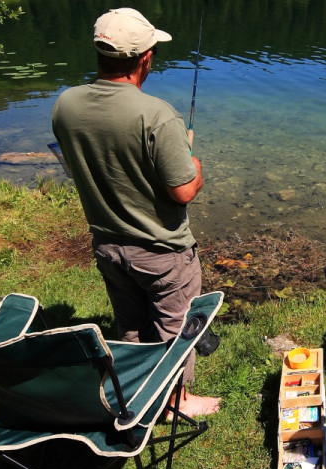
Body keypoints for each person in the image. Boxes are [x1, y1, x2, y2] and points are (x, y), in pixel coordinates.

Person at [51, 7, 219, 417]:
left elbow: (81, 164)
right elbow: (183, 192)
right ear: (144, 58)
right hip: (162, 251)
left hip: (107, 244)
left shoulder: (66, 105)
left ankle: (135, 386)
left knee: (130, 322)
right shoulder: (157, 115)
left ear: (100, 52)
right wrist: (195, 167)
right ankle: (175, 401)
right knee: (175, 326)